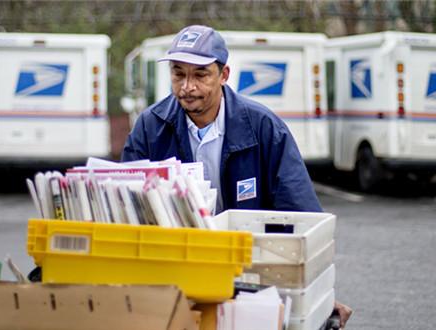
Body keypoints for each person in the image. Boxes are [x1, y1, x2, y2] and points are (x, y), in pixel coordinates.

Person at [121, 25, 352, 328]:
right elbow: (124, 205)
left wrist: (316, 291)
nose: (187, 87)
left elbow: (300, 212)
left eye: (200, 74)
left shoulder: (264, 127)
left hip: (248, 268)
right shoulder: (150, 126)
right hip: (176, 267)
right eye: (178, 74)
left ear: (224, 75)